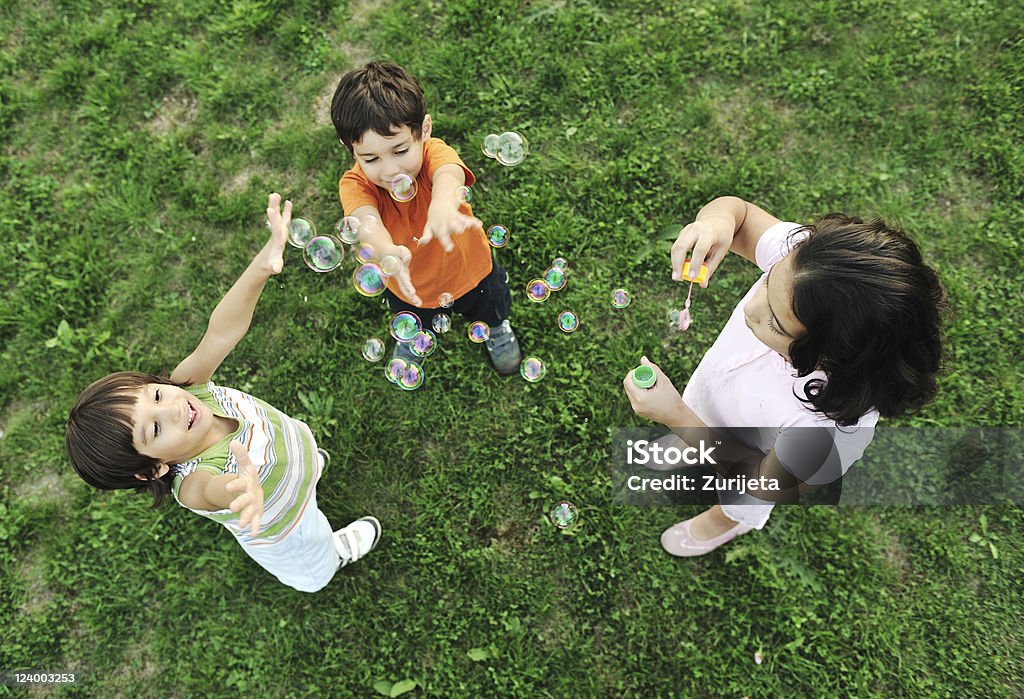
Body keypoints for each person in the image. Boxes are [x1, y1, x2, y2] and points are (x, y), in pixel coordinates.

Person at [65, 194, 381, 592]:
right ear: (153, 469)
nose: (174, 410)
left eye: (157, 398)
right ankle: (331, 555)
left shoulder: (188, 384)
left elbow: (223, 329)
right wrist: (239, 491)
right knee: (312, 556)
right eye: (156, 431)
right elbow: (214, 491)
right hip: (286, 523)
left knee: (305, 463)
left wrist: (262, 266)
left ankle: (308, 468)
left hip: (289, 446)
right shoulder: (195, 484)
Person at [623, 195, 946, 556]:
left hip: (755, 468)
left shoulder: (828, 429)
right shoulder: (806, 267)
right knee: (700, 416)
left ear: (828, 355)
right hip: (715, 402)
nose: (750, 307)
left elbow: (765, 481)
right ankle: (690, 443)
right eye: (767, 280)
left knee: (739, 498)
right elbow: (740, 215)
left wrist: (678, 418)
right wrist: (717, 225)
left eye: (775, 322)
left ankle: (722, 521)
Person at [330, 61, 521, 374]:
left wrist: (444, 204)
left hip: (470, 269)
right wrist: (387, 252)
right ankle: (413, 337)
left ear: (425, 131)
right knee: (416, 322)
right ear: (350, 149)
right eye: (371, 158)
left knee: (492, 306)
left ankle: (497, 330)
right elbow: (365, 221)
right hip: (409, 288)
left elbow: (449, 173)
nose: (390, 170)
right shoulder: (356, 184)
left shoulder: (435, 153)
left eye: (400, 150)